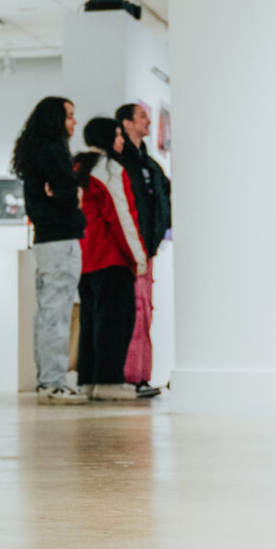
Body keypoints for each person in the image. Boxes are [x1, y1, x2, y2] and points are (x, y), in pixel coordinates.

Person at [12, 97, 85, 405]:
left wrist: (67, 191)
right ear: (56, 120)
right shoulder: (54, 152)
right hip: (60, 241)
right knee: (56, 314)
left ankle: (47, 379)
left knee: (46, 314)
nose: (74, 122)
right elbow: (69, 193)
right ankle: (53, 383)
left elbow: (60, 191)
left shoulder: (33, 153)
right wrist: (74, 192)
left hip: (45, 241)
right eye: (69, 116)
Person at [76, 116, 154, 399]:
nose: (122, 141)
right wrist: (138, 257)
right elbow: (121, 216)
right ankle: (109, 381)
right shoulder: (108, 169)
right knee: (115, 321)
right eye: (118, 135)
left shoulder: (78, 167)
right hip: (111, 258)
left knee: (91, 321)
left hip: (84, 260)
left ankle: (89, 380)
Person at [113, 103, 170, 390]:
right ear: (126, 123)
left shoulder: (150, 166)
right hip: (129, 253)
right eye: (142, 116)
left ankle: (140, 375)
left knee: (144, 311)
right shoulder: (121, 166)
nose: (149, 121)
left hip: (146, 251)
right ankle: (130, 376)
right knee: (134, 312)